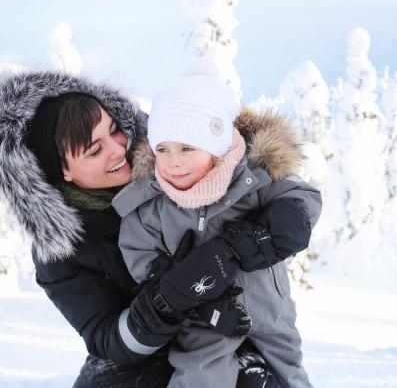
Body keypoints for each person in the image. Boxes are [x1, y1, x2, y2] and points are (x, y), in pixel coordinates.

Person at [0, 70, 293, 387]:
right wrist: (169, 298)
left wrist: (285, 215)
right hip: (144, 357)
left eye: (114, 130)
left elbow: (241, 158)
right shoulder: (62, 253)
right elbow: (107, 338)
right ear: (63, 172)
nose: (117, 149)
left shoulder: (167, 155)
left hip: (229, 330)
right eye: (95, 150)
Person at [113, 73, 322, 387]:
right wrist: (184, 288)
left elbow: (301, 198)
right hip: (206, 317)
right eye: (164, 149)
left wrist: (275, 227)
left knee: (289, 371)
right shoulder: (153, 201)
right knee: (200, 371)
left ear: (215, 147)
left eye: (187, 148)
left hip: (270, 309)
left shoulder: (252, 178)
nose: (173, 162)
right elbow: (139, 252)